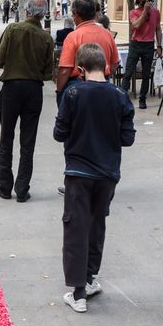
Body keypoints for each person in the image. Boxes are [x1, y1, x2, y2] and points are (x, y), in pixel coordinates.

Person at [54, 42, 135, 312]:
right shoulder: (120, 95)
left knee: (76, 226)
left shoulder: (73, 92)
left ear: (79, 69)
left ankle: (78, 292)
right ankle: (89, 278)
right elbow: (127, 138)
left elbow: (59, 133)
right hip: (107, 172)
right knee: (96, 223)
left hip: (78, 171)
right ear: (107, 66)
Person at [0, 0, 54, 202]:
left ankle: (5, 185)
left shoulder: (13, 29)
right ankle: (22, 188)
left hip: (12, 87)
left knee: (6, 137)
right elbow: (47, 72)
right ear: (42, 14)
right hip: (34, 89)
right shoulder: (46, 38)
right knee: (28, 141)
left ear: (26, 10)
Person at [56, 0, 119, 100]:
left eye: (73, 14)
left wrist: (59, 91)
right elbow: (114, 64)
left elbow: (64, 71)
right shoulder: (107, 34)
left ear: (76, 14)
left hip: (78, 85)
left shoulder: (73, 37)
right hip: (103, 84)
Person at [120, 0, 162, 110]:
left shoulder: (156, 12)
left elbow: (158, 29)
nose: (147, 2)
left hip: (149, 45)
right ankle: (122, 98)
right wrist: (145, 12)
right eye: (144, 0)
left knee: (146, 74)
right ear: (139, 0)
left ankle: (142, 99)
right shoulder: (133, 12)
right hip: (136, 44)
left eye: (149, 0)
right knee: (128, 72)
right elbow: (136, 25)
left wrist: (159, 45)